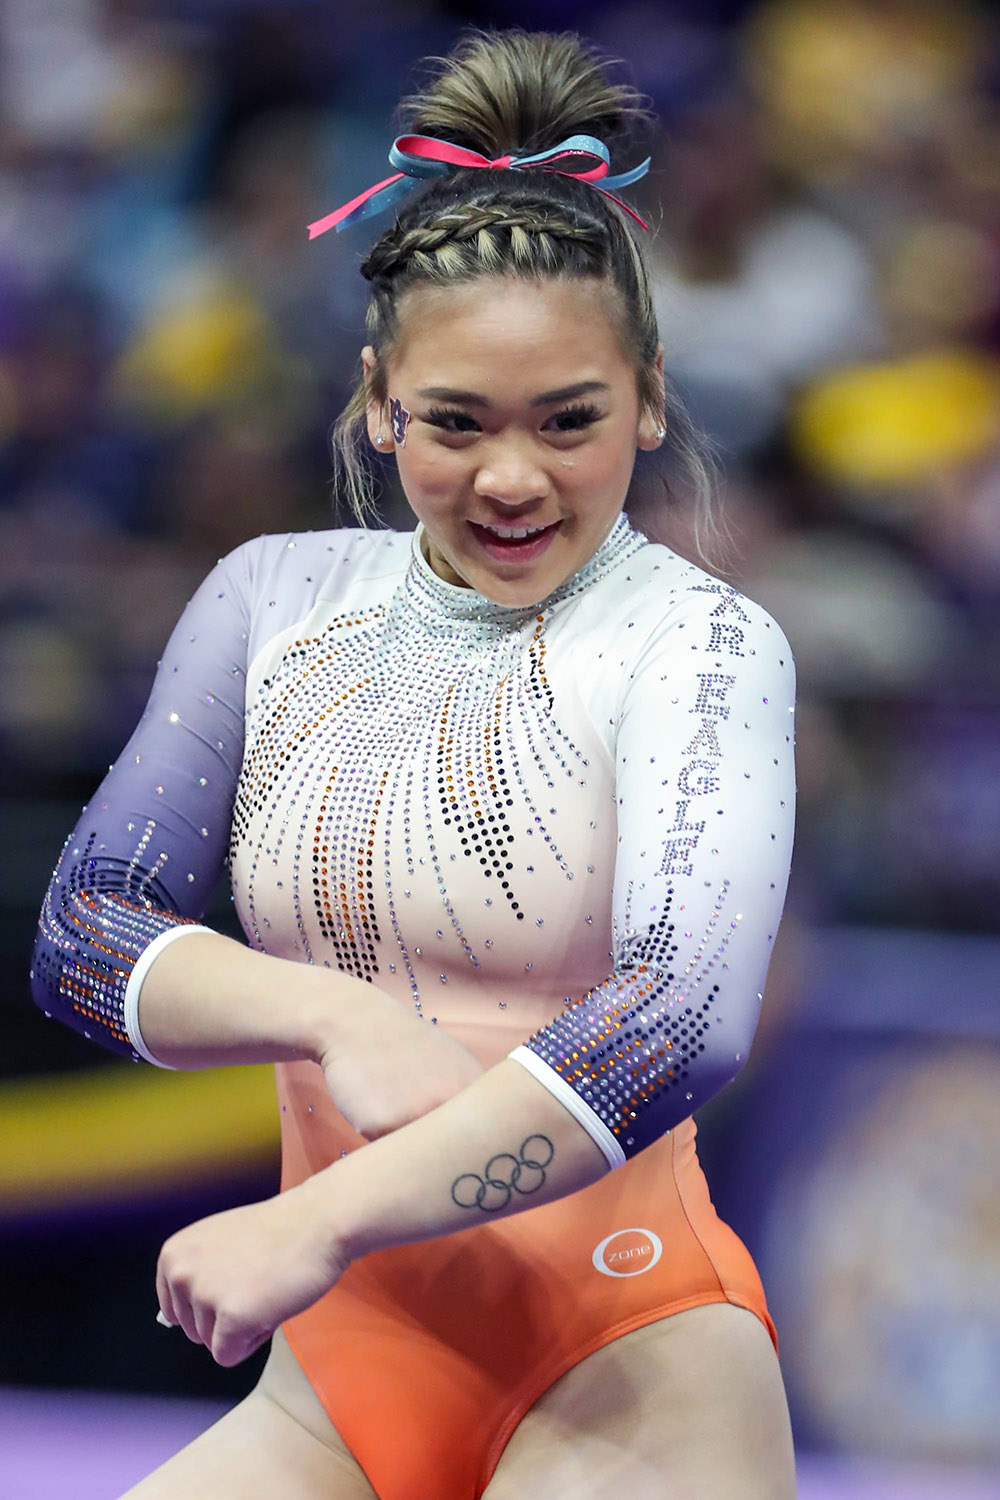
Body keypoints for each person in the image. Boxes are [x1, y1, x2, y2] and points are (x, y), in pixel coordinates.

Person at [31, 29, 797, 1500]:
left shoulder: (697, 646)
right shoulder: (274, 600)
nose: (512, 478)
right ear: (383, 398)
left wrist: (322, 1219)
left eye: (568, 420)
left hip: (625, 1365)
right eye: (456, 422)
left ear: (647, 395)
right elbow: (87, 930)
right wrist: (328, 1015)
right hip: (333, 1387)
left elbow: (678, 1022)